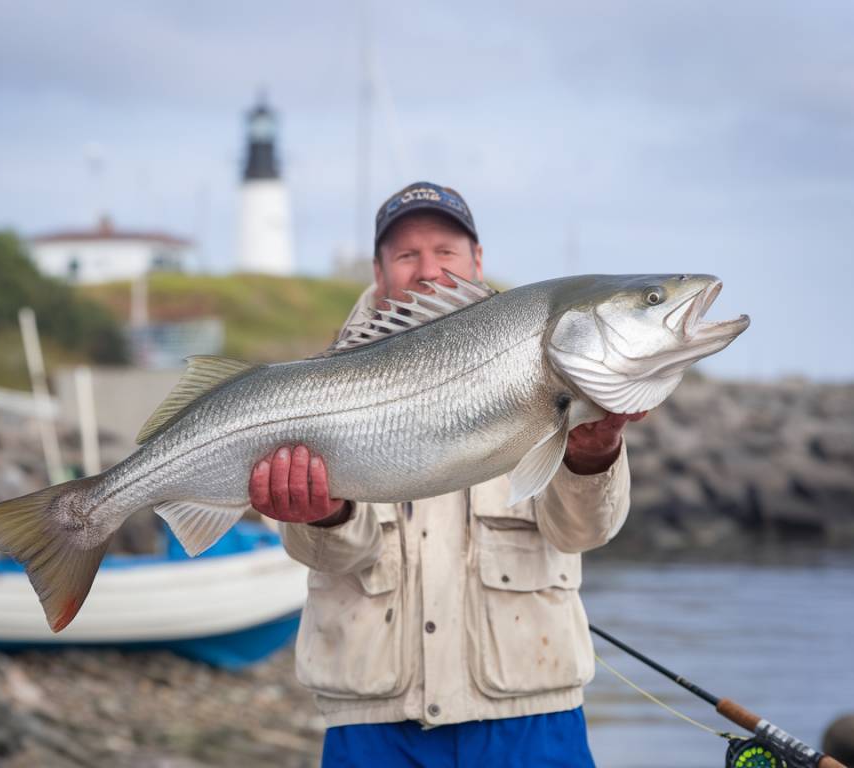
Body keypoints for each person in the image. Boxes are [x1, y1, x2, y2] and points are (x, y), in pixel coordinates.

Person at [249, 182, 643, 767]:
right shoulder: (322, 386)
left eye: (446, 250)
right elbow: (331, 557)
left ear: (478, 261)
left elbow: (581, 534)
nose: (428, 269)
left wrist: (591, 457)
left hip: (529, 714)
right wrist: (325, 514)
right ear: (379, 271)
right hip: (376, 722)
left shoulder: (552, 364)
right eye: (406, 255)